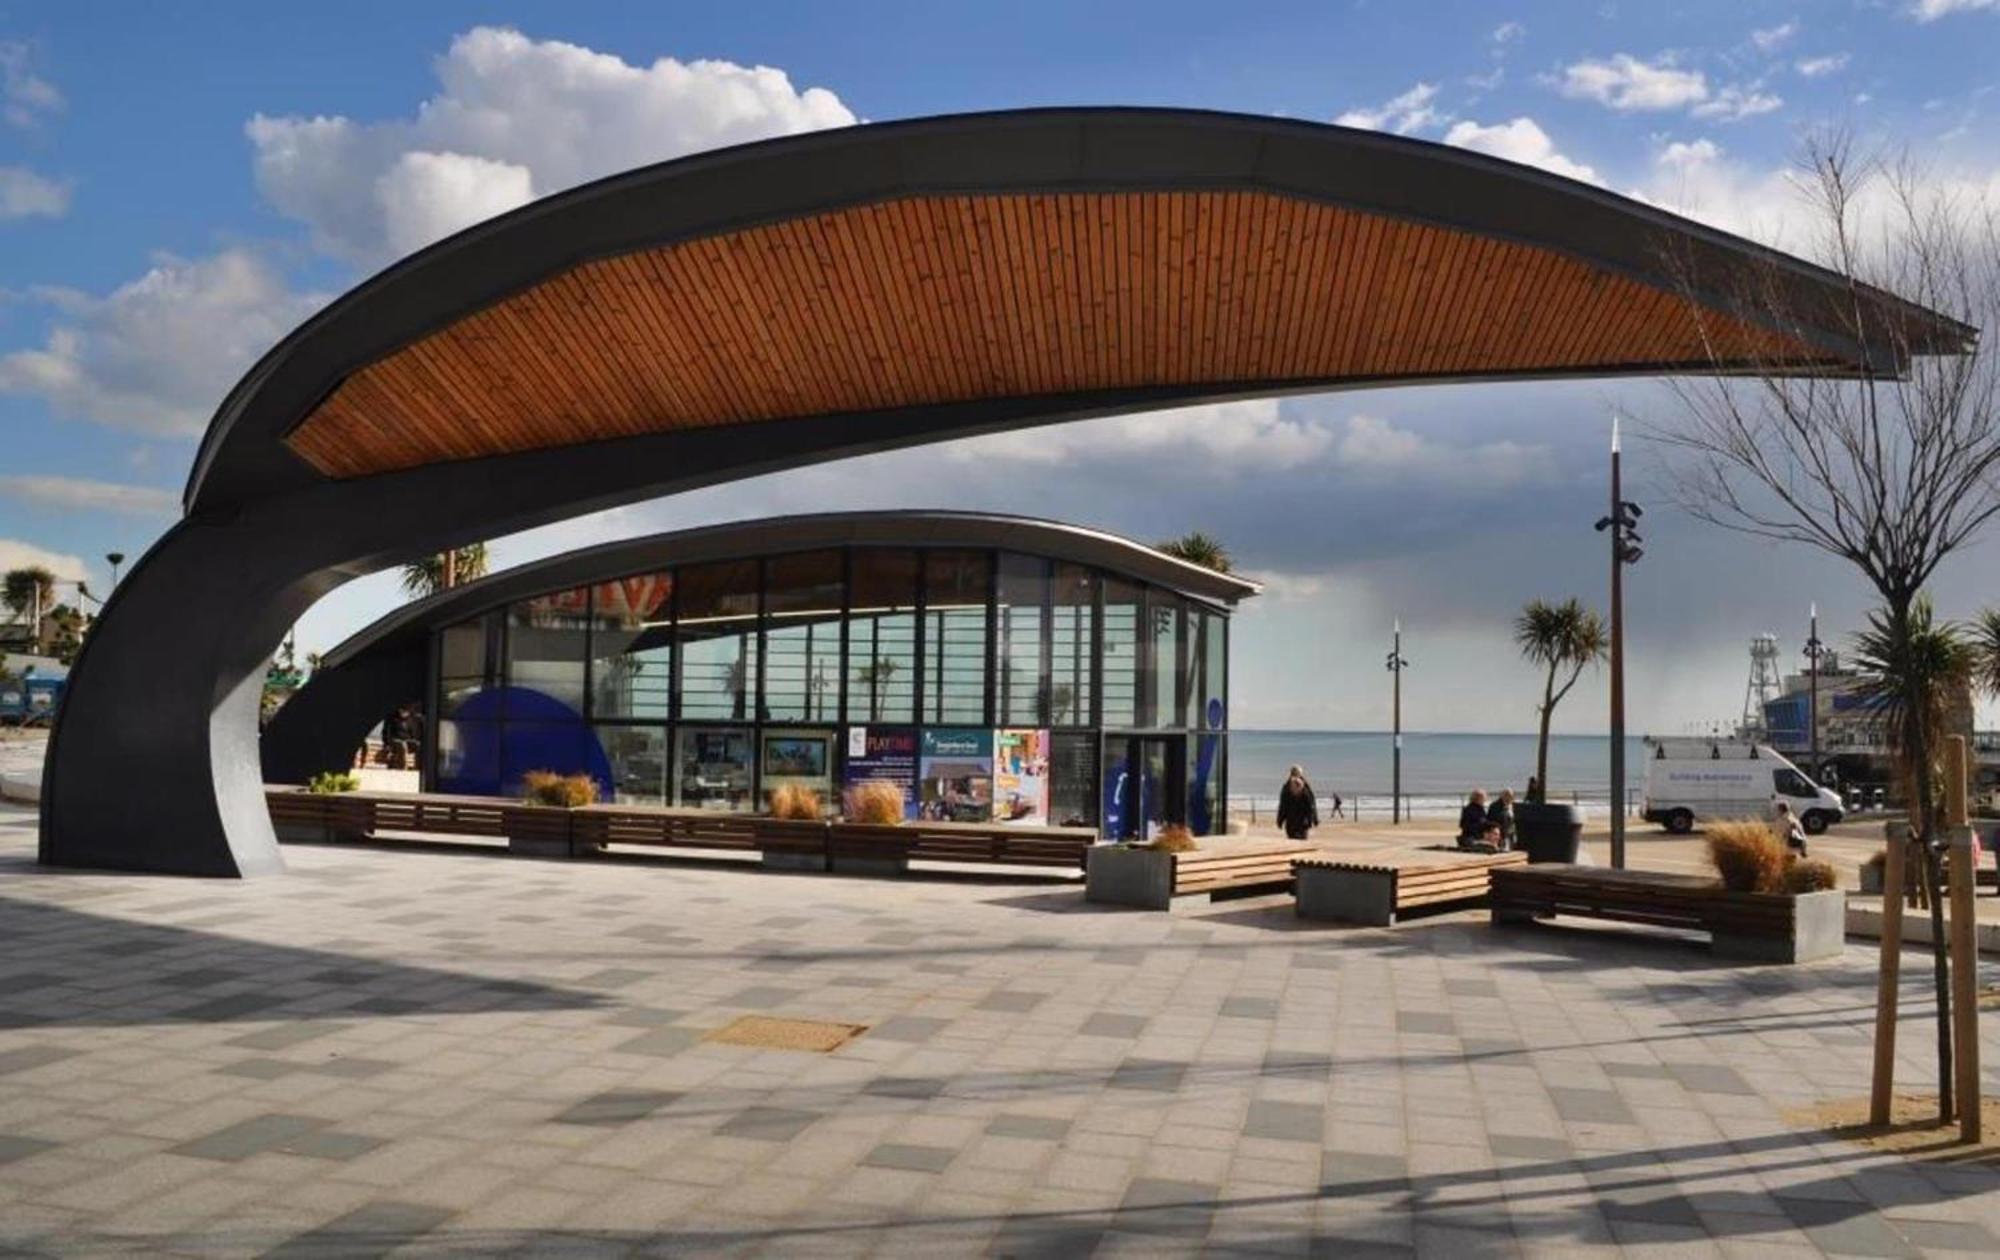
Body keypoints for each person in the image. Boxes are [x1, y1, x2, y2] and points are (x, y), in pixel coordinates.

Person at [1276, 766, 1319, 840]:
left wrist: (1280, 820)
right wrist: (1314, 819)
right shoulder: (1305, 787)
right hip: (1302, 821)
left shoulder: (1286, 787)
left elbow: (1283, 806)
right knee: (1302, 841)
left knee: (1292, 841)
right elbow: (1311, 805)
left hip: (1291, 821)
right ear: (1301, 774)